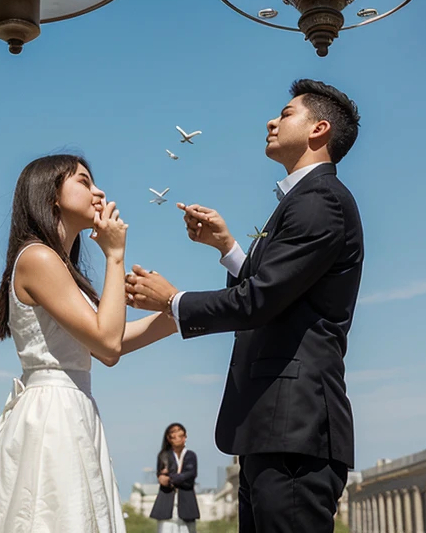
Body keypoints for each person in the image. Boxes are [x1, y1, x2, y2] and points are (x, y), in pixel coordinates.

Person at [126, 80, 364, 533]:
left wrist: (172, 301)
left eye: (286, 113)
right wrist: (228, 248)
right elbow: (276, 293)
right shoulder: (303, 201)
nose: (272, 121)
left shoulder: (321, 201)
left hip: (294, 429)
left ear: (319, 129)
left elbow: (259, 301)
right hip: (272, 429)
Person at [0, 154, 177, 533]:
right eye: (84, 181)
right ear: (51, 194)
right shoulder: (39, 257)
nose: (98, 190)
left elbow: (104, 343)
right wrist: (115, 256)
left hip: (68, 406)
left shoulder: (57, 264)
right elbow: (108, 345)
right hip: (54, 414)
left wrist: (177, 310)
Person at [150, 423, 200, 532]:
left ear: (185, 437)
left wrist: (171, 478)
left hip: (186, 503)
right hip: (167, 503)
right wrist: (174, 478)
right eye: (173, 436)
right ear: (168, 439)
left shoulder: (190, 455)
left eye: (180, 436)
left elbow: (190, 475)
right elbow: (162, 479)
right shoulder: (164, 455)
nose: (177, 439)